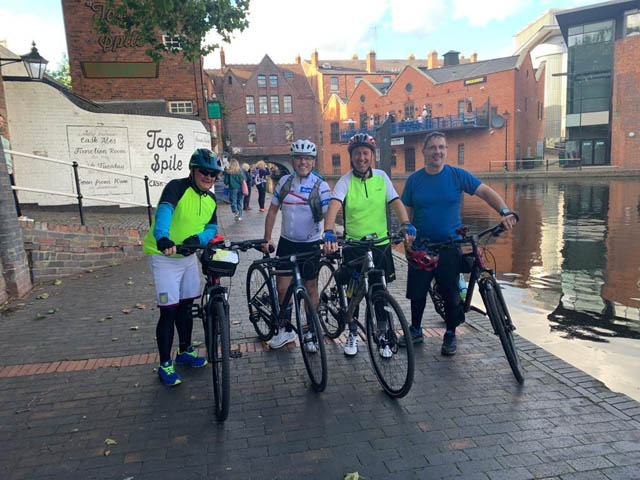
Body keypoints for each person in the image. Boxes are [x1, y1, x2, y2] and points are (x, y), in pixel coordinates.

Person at [400, 131, 517, 356]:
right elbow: (406, 208)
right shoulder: (415, 180)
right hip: (422, 246)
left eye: (442, 147)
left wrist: (504, 210)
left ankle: (451, 333)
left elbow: (483, 191)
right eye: (433, 147)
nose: (438, 151)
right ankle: (415, 330)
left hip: (449, 245)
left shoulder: (456, 175)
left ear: (446, 151)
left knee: (451, 291)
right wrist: (406, 229)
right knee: (417, 292)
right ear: (424, 151)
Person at [323, 133, 416, 357]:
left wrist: (406, 224)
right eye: (357, 154)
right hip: (355, 245)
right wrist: (328, 231)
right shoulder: (345, 180)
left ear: (372, 156)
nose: (361, 158)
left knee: (379, 292)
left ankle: (383, 336)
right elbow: (335, 204)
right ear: (352, 157)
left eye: (365, 153)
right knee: (353, 293)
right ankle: (352, 332)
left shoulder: (382, 177)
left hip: (380, 245)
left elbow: (395, 202)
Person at [142, 148, 224, 386]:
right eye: (205, 172)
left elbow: (211, 228)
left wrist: (198, 240)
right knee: (169, 310)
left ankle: (185, 351)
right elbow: (164, 212)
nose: (209, 177)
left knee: (187, 306)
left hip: (187, 255)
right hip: (164, 255)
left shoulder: (210, 199)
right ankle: (165, 364)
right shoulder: (176, 187)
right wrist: (162, 237)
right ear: (193, 170)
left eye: (214, 174)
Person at [263, 139, 331, 349]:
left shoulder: (321, 186)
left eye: (308, 158)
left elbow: (329, 213)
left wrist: (330, 237)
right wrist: (267, 238)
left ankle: (311, 332)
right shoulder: (284, 182)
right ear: (293, 160)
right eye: (299, 158)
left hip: (310, 245)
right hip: (286, 243)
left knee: (311, 289)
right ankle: (285, 331)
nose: (303, 162)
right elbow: (273, 210)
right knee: (282, 288)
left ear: (313, 161)